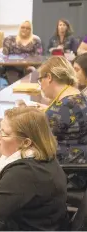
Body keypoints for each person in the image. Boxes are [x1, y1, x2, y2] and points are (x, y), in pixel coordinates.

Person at [37, 56, 87, 189]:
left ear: (48, 78)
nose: (40, 85)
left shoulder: (60, 109)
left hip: (67, 174)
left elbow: (35, 142)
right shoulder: (79, 96)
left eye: (40, 79)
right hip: (79, 166)